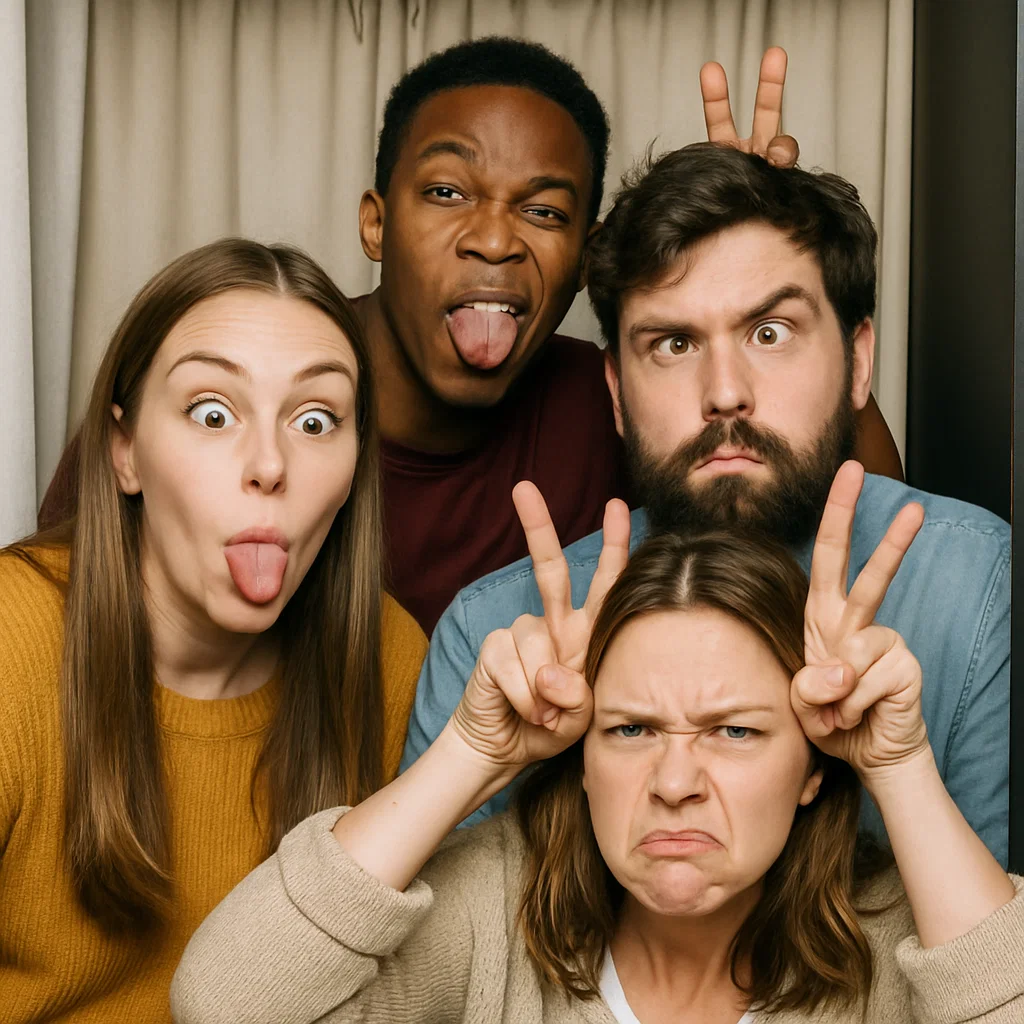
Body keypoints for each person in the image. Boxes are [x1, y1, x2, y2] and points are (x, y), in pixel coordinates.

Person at [37, 39, 903, 634]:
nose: (494, 238)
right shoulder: (215, 404)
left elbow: (849, 491)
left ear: (586, 256)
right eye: (448, 191)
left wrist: (753, 267)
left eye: (544, 209)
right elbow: (67, 638)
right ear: (375, 223)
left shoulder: (618, 395)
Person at [170, 466, 1023, 1024]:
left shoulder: (894, 945)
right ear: (581, 758)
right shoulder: (496, 914)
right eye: (631, 730)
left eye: (734, 731)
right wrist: (476, 750)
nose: (676, 781)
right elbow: (221, 1004)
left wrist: (900, 770)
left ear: (811, 767)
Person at [402, 144, 1010, 866]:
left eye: (770, 333)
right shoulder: (494, 631)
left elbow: (997, 952)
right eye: (674, 343)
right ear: (618, 393)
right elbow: (425, 958)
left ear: (859, 363)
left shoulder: (976, 581)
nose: (725, 390)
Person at [0, 239, 427, 1022]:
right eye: (212, 412)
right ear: (125, 451)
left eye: (314, 418)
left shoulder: (392, 659)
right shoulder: (9, 641)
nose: (269, 463)